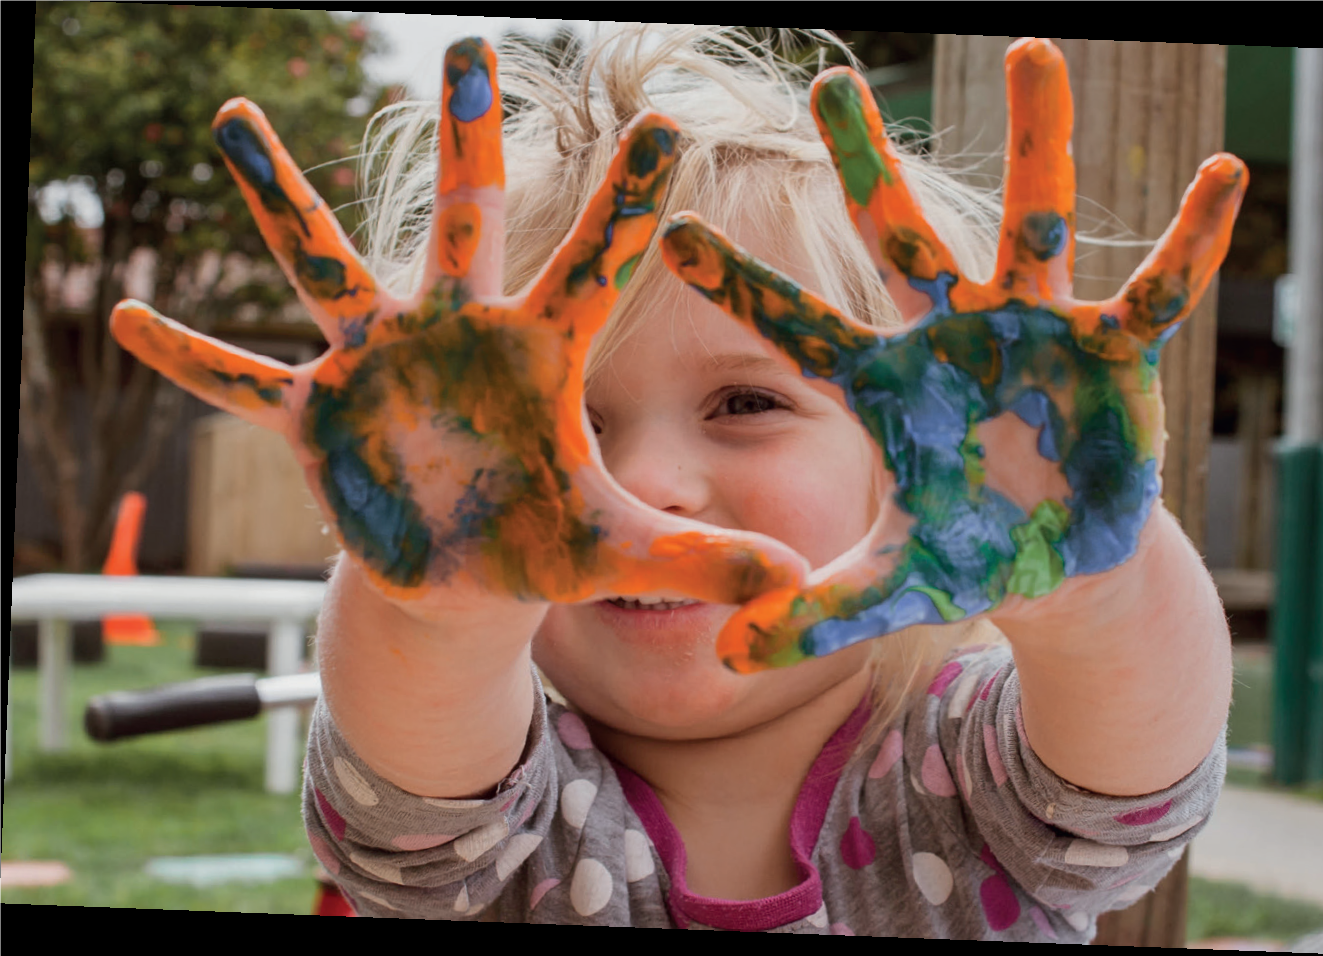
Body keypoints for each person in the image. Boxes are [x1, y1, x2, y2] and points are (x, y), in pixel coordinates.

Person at [111, 27, 1242, 934]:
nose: (645, 479)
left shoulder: (977, 776)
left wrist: (1090, 580)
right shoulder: (493, 813)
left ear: (919, 459)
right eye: (558, 430)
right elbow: (417, 731)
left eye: (745, 403)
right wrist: (437, 605)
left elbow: (1132, 760)